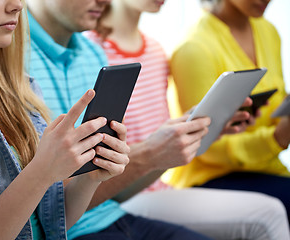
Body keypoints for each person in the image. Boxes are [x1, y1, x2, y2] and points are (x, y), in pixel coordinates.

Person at [26, 0, 290, 239]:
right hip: (113, 202)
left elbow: (135, 158)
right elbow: (60, 200)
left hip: (121, 200)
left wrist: (201, 128)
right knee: (270, 212)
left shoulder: (128, 52)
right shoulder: (91, 50)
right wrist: (153, 152)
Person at [0, 0, 130, 239]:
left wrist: (90, 177)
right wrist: (42, 172)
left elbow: (52, 225)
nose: (17, 5)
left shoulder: (23, 90)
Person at [165, 0, 290, 225]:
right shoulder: (194, 48)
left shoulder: (267, 30)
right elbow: (205, 149)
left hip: (268, 170)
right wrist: (276, 138)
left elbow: (279, 105)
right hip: (209, 179)